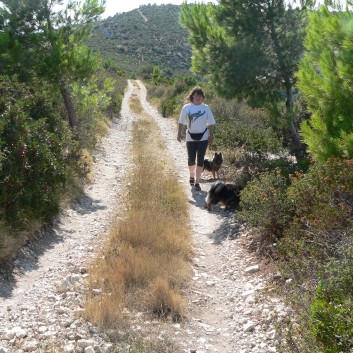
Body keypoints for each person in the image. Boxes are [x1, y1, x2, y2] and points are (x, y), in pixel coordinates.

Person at [177, 86, 215, 191]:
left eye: (200, 95)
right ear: (192, 96)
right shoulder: (186, 108)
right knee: (191, 159)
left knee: (201, 159)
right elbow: (181, 121)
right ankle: (191, 175)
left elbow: (211, 123)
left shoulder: (206, 108)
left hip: (203, 137)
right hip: (190, 137)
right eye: (196, 95)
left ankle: (197, 181)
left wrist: (211, 135)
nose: (198, 97)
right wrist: (179, 133)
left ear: (202, 97)